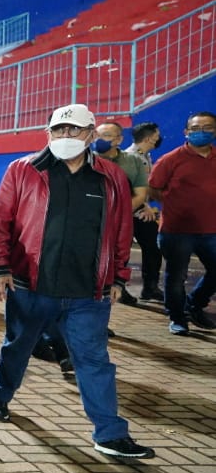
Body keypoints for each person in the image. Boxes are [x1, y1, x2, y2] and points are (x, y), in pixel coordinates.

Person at [0, 103, 154, 459]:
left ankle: (110, 434)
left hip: (87, 293)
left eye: (73, 129)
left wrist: (118, 277)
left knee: (94, 361)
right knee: (17, 348)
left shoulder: (111, 177)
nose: (65, 135)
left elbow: (122, 231)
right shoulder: (23, 170)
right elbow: (0, 222)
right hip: (30, 287)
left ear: (91, 134)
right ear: (48, 133)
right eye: (58, 129)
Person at [148, 110, 216, 335]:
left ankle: (195, 304)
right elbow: (154, 188)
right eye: (195, 128)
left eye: (207, 128)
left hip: (211, 230)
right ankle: (177, 318)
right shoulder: (170, 159)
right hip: (176, 231)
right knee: (177, 277)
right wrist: (174, 203)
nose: (201, 132)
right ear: (186, 132)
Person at [90, 122, 152, 305]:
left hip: (121, 222)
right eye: (97, 135)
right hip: (92, 221)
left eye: (106, 135)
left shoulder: (133, 161)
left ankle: (117, 290)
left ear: (119, 139)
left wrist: (117, 215)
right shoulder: (85, 160)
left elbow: (140, 194)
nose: (100, 140)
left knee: (117, 259)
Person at [125, 122, 163, 301]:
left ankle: (150, 288)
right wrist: (142, 206)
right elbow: (126, 188)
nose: (159, 138)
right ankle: (119, 288)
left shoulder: (145, 156)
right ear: (149, 138)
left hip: (142, 212)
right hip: (130, 213)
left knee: (153, 249)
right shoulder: (130, 157)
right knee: (122, 253)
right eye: (157, 135)